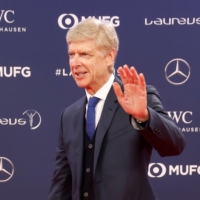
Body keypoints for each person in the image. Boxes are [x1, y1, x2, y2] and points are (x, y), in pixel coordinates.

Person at [48, 18, 186, 200]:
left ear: (110, 56)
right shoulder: (69, 116)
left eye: (85, 54)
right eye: (71, 54)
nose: (75, 63)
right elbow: (62, 183)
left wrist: (143, 116)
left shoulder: (138, 98)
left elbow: (174, 146)